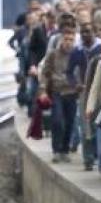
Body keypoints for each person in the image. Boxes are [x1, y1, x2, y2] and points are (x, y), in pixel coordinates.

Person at [40, 27, 78, 162]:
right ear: (61, 39)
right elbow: (45, 72)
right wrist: (43, 90)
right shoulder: (53, 54)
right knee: (57, 121)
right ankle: (56, 150)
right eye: (66, 39)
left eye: (71, 40)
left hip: (72, 93)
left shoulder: (78, 54)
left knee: (69, 122)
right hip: (57, 92)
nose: (68, 42)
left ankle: (65, 150)